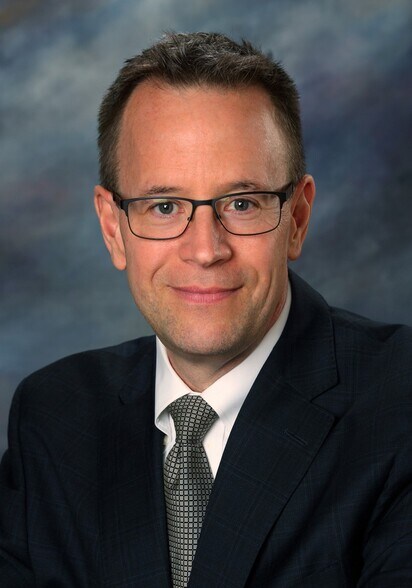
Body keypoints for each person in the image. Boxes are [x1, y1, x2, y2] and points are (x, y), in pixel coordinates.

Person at [0, 32, 411, 588]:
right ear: (113, 228)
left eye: (241, 203)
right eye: (164, 206)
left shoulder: (398, 404)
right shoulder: (54, 420)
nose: (205, 250)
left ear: (296, 218)